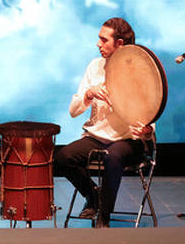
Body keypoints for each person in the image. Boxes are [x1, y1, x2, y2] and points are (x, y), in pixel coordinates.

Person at [53, 17, 154, 228]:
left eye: (104, 40)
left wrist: (146, 130)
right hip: (97, 136)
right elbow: (73, 111)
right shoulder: (95, 66)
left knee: (113, 155)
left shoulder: (139, 71)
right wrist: (89, 93)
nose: (98, 44)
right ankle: (93, 195)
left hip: (128, 140)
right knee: (63, 158)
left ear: (120, 44)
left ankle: (104, 216)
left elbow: (151, 111)